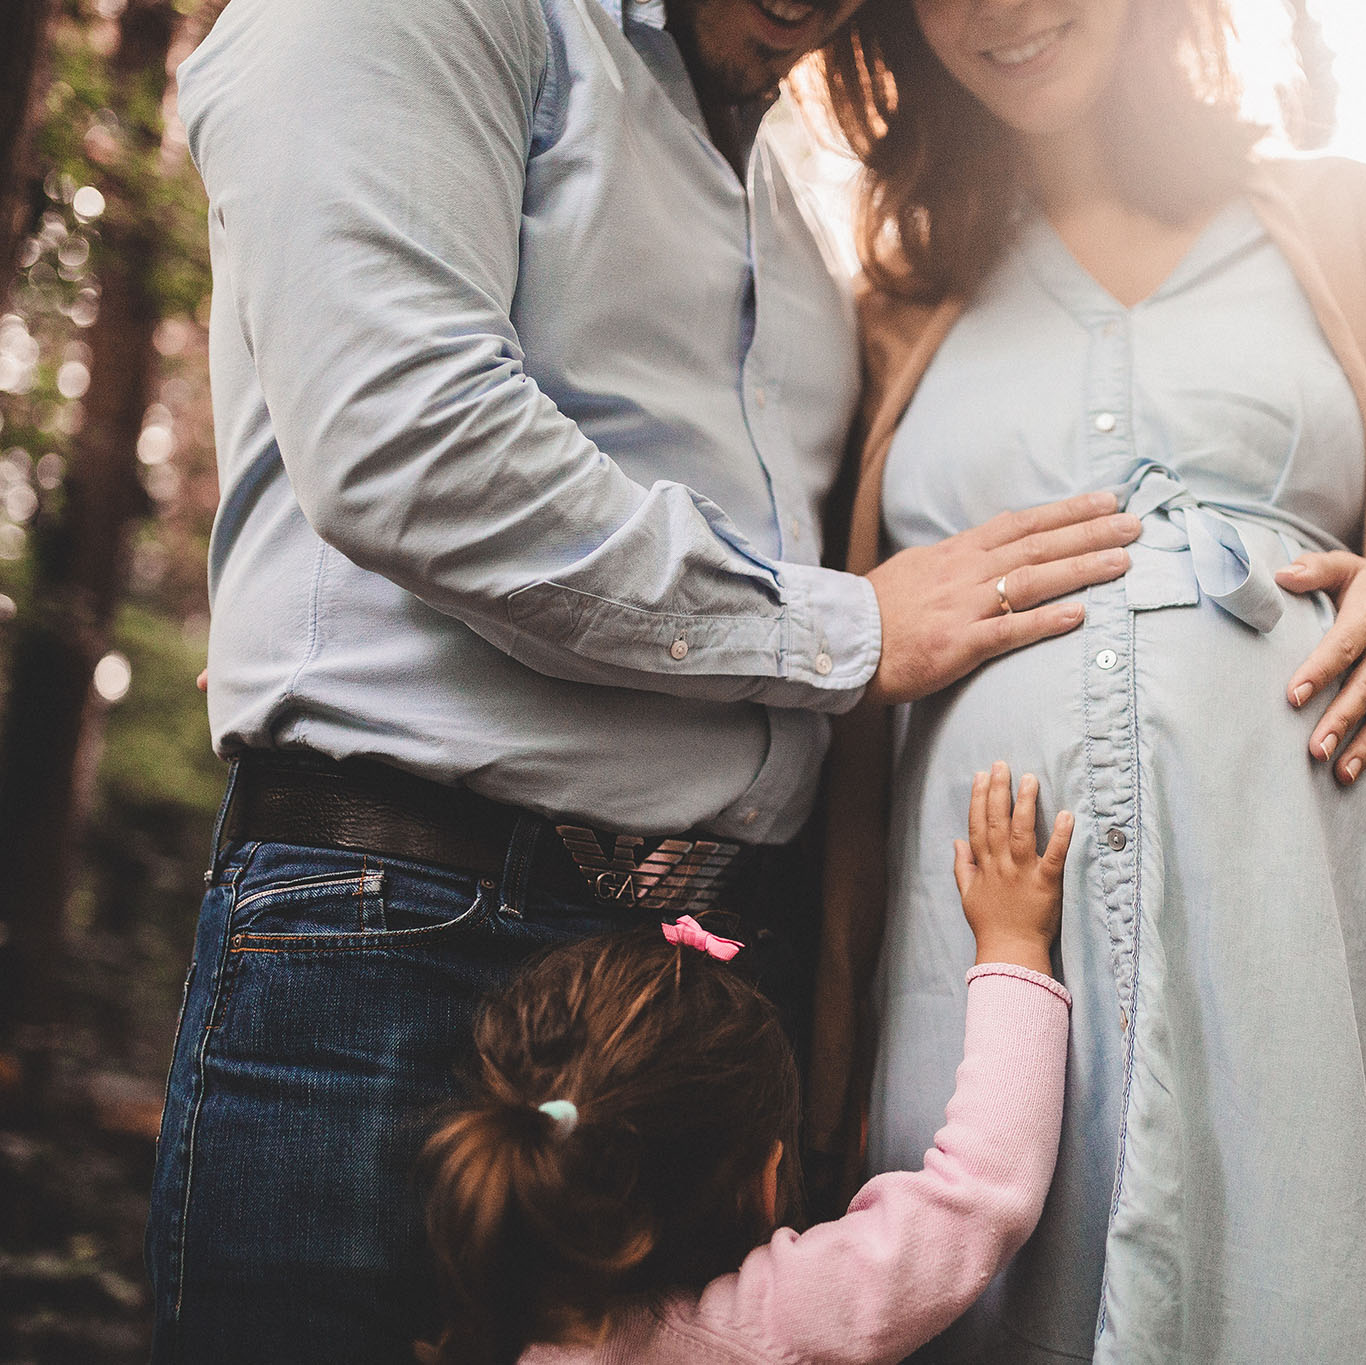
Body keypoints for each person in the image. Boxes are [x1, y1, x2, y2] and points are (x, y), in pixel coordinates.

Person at [146, 0, 1143, 1360]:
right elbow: (413, 443)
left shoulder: (780, 186)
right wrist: (840, 635)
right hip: (412, 940)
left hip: (712, 1012)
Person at [805, 0, 1366, 1359]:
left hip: (1333, 916)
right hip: (981, 935)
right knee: (990, 1274)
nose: (997, 11)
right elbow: (821, 618)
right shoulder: (890, 302)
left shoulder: (1352, 225)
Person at [419, 766, 1073, 1365]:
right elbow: (979, 1194)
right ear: (761, 1183)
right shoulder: (767, 1325)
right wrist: (1013, 943)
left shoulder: (497, 1337)